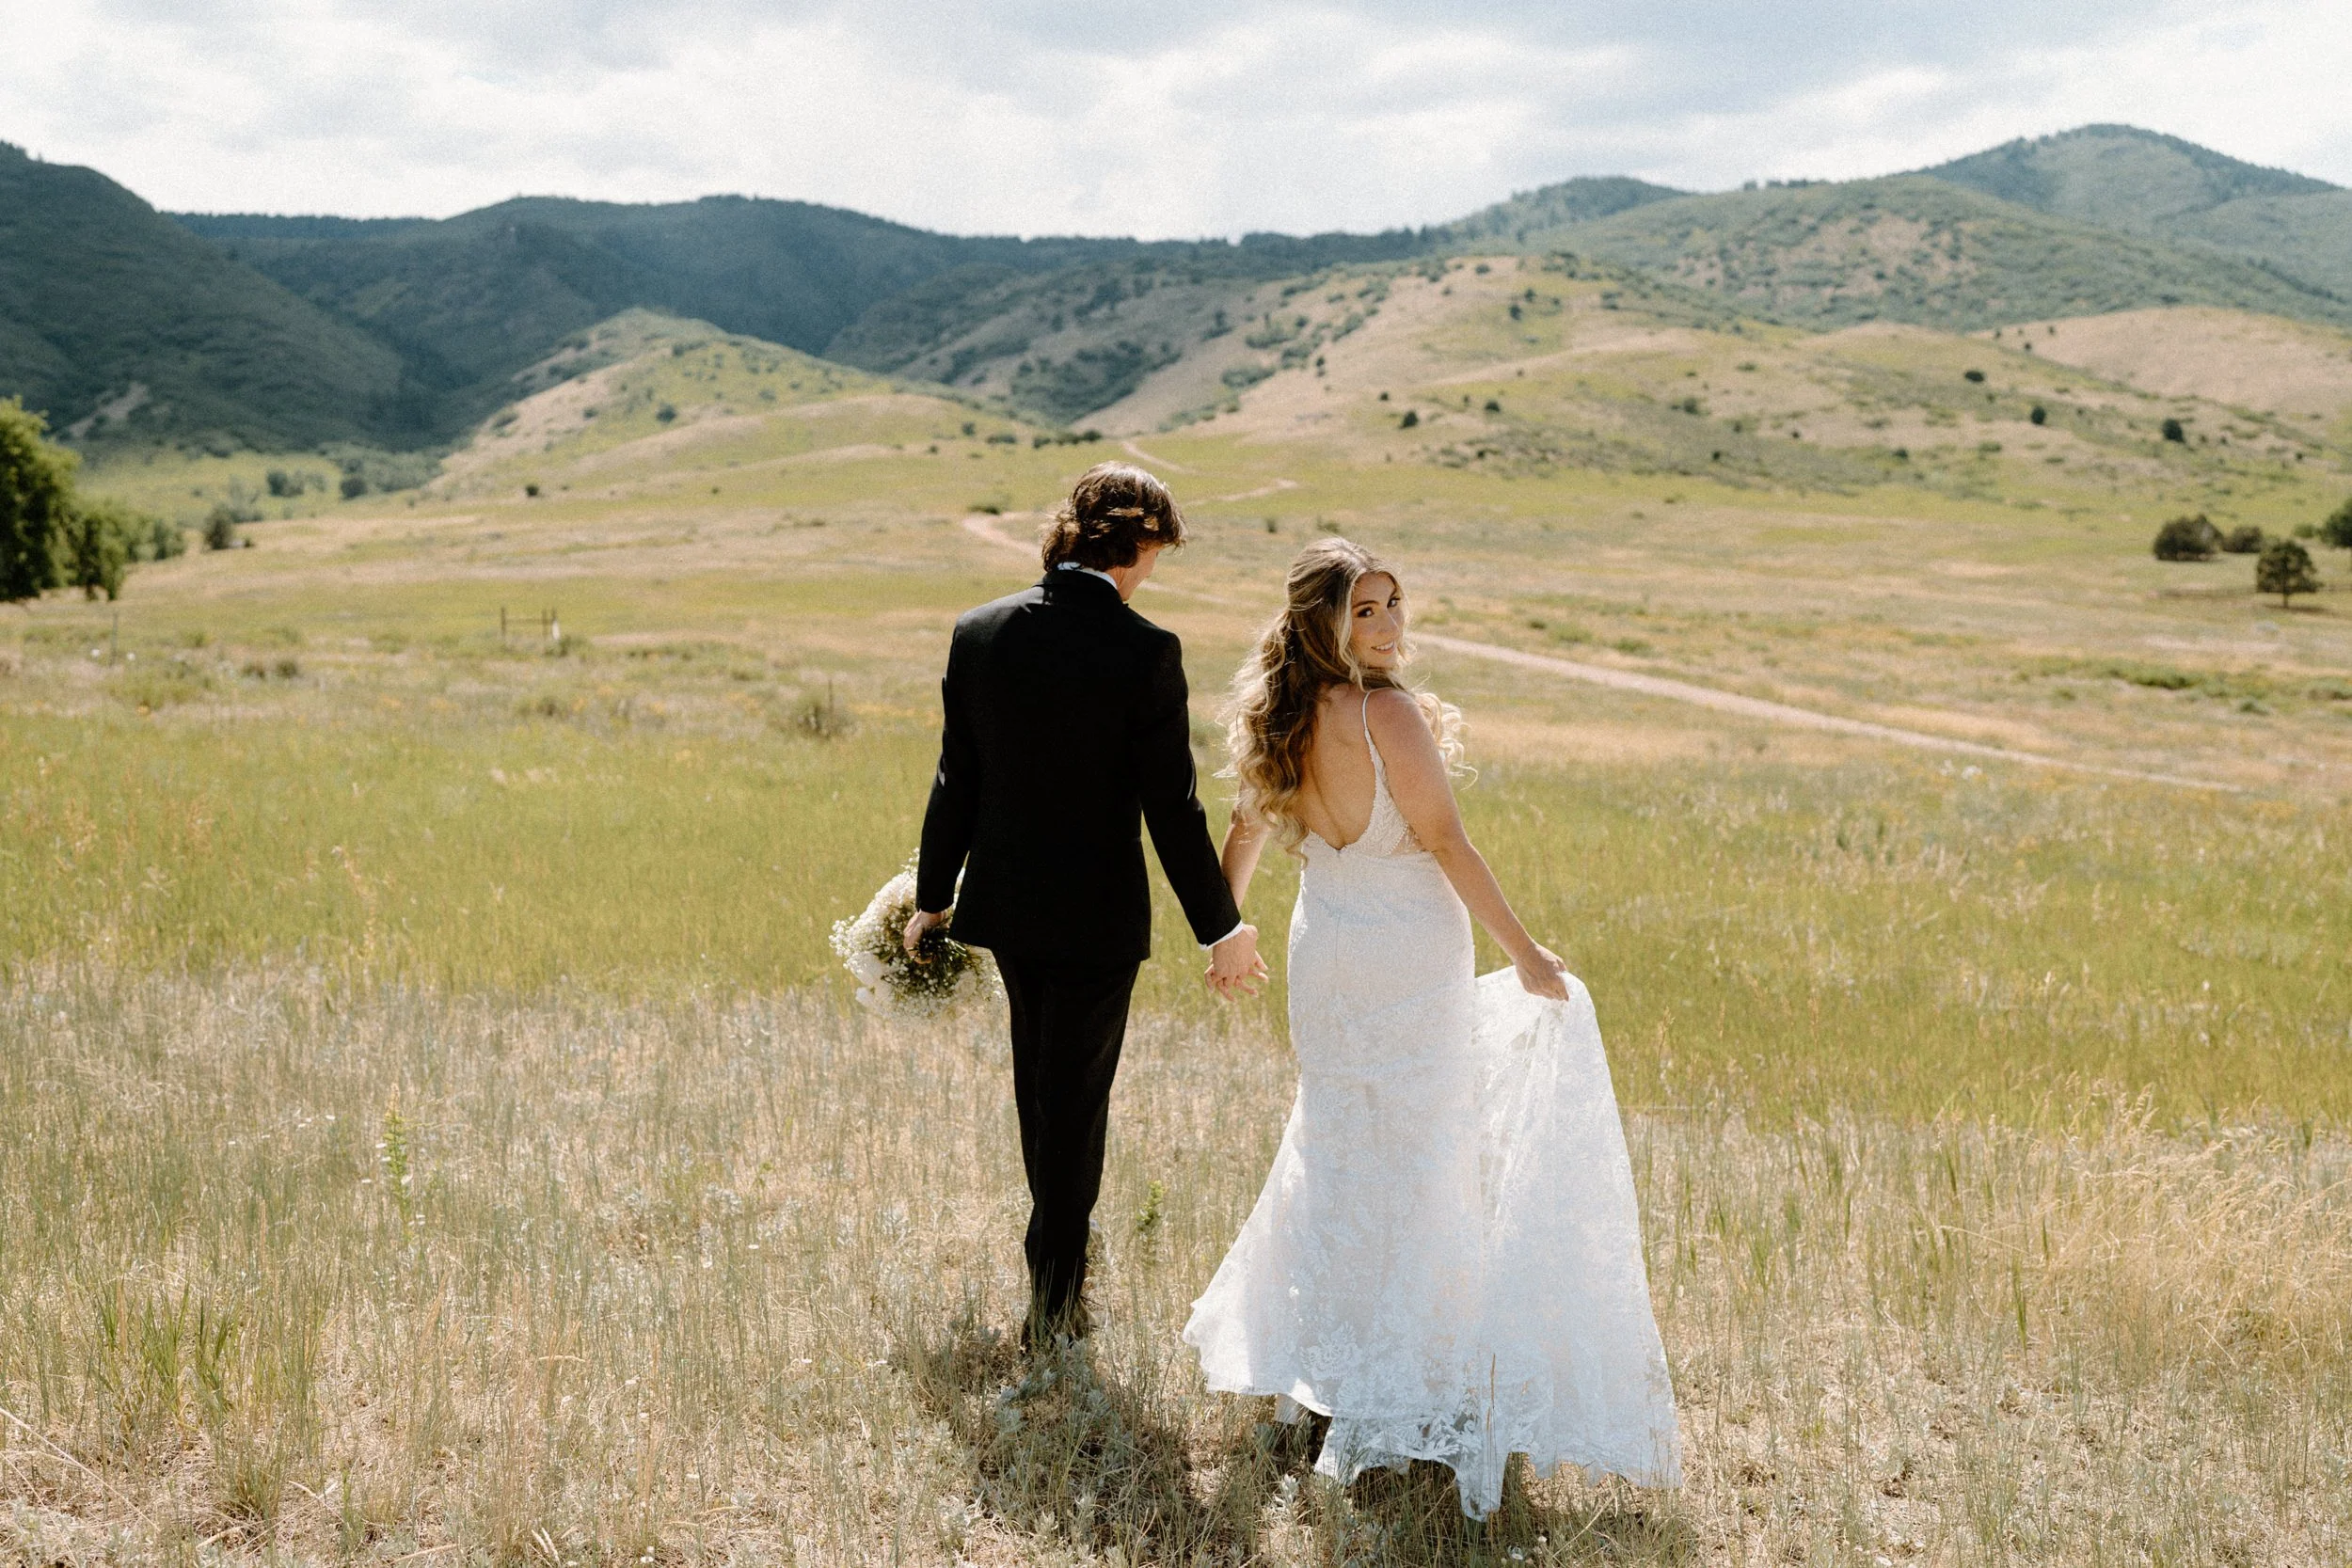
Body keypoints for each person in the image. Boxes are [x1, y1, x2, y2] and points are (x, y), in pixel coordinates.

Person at [1182, 536, 1680, 1516]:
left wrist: (1226, 927)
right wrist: (1527, 954)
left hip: (1327, 944)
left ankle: (1319, 1362)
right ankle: (1404, 1370)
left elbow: (1240, 831)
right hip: (1406, 948)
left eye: (1393, 603)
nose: (1387, 624)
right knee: (1417, 1156)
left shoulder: (1281, 715)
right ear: (1324, 623)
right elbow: (1445, 840)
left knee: (1338, 1147)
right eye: (1365, 609)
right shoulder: (1383, 712)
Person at [907, 462, 1266, 1351]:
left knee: (1045, 1091)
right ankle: (1056, 1306)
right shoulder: (1147, 652)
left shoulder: (980, 631)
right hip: (1098, 924)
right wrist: (1221, 925)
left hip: (1009, 913)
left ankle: (1053, 1277)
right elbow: (1173, 810)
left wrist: (931, 899)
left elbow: (958, 775)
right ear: (1140, 543)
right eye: (1156, 553)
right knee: (1074, 1106)